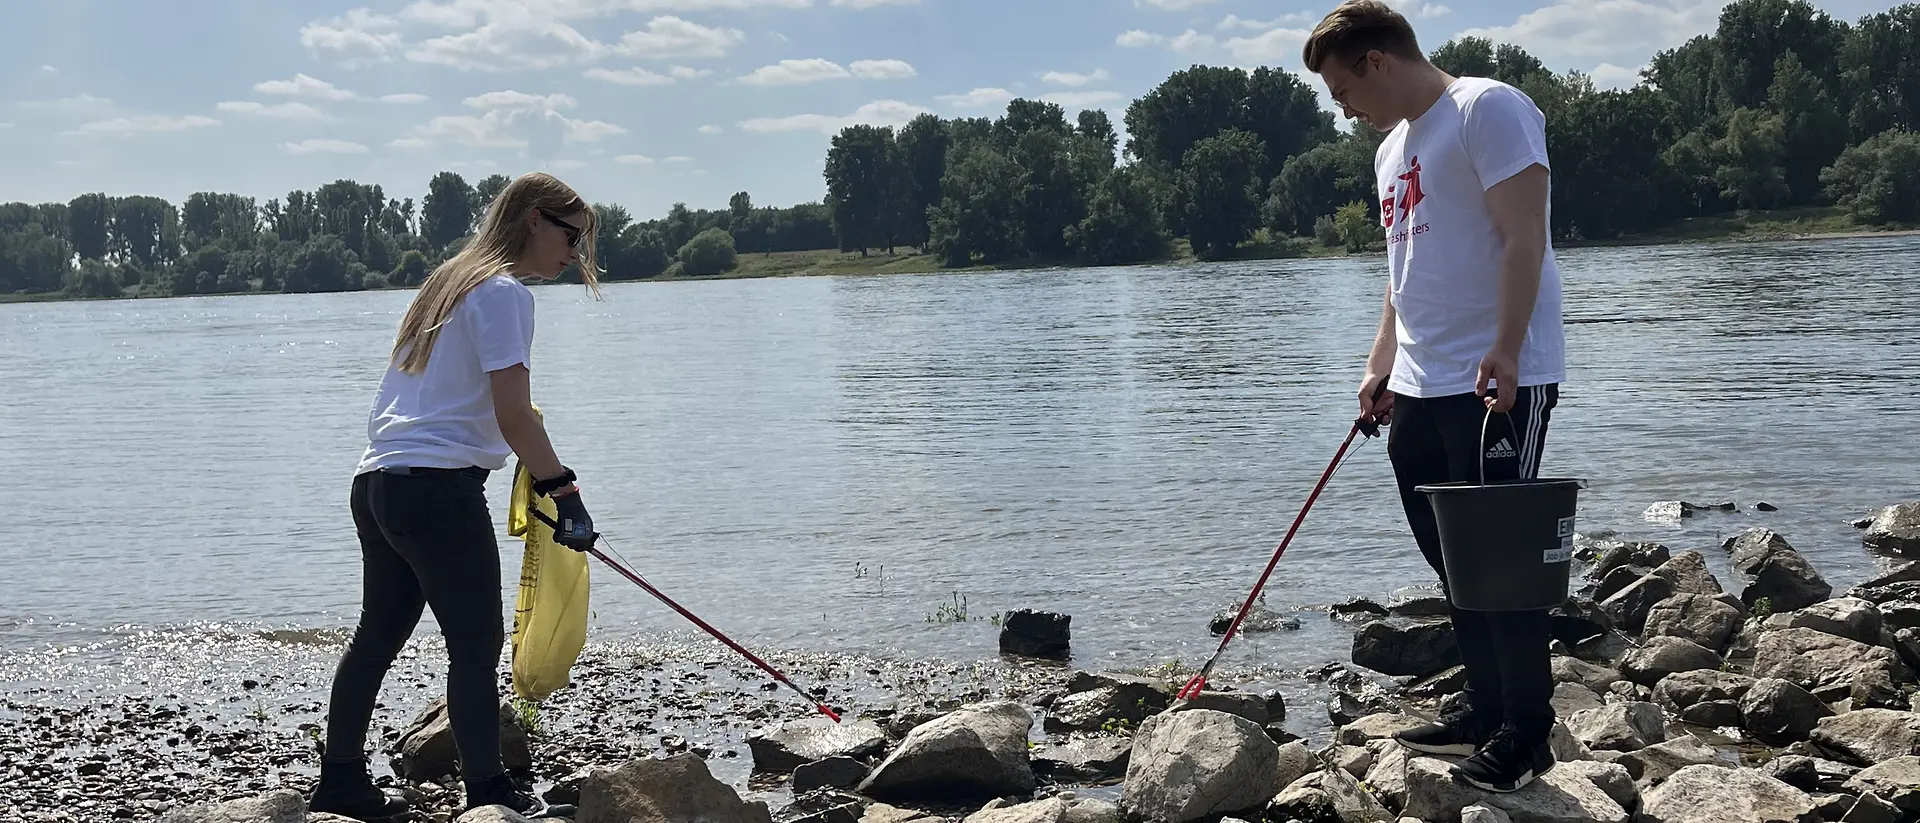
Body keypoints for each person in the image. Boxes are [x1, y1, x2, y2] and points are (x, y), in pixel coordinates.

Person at [1303, 0, 1567, 794]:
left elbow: (1527, 235)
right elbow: (1402, 269)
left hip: (1496, 376)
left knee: (1502, 562)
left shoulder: (1487, 109)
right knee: (1452, 557)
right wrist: (1380, 361)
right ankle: (1485, 706)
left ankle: (1527, 729)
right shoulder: (1392, 149)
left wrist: (1510, 347)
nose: (1342, 107)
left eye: (1342, 89)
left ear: (1376, 62)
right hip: (1420, 380)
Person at [308, 172, 603, 820]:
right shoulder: (503, 293)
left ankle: (340, 782)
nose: (576, 253)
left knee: (376, 637)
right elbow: (514, 416)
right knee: (476, 644)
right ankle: (489, 792)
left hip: (378, 483)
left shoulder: (448, 282)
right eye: (571, 235)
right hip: (437, 490)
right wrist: (565, 492)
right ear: (533, 220)